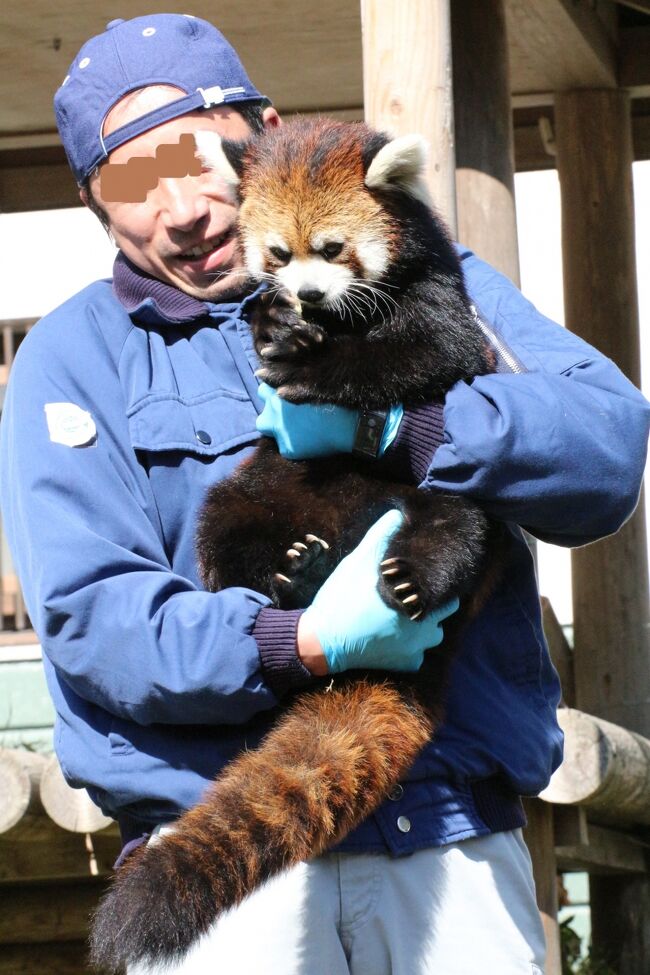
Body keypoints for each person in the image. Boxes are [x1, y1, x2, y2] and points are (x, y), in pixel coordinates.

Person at [1, 14, 648, 975]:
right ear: (94, 202)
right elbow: (96, 620)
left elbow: (604, 445)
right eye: (133, 184)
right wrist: (297, 641)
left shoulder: (427, 274)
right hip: (222, 840)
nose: (179, 208)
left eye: (194, 158)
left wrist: (406, 430)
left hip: (447, 840)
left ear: (261, 132)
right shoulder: (70, 358)